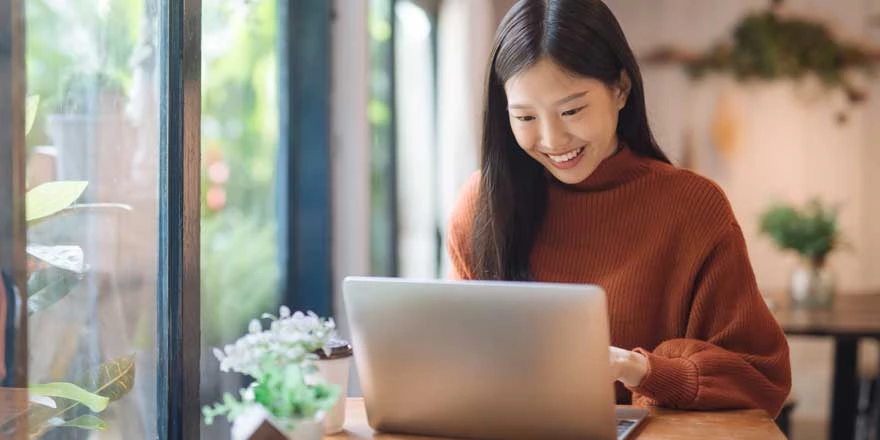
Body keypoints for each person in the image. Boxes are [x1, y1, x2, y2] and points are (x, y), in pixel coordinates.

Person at [446, 0, 791, 417]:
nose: (553, 139)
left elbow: (762, 379)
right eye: (525, 117)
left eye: (572, 110)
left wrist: (644, 370)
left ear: (621, 89)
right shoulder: (482, 206)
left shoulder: (693, 208)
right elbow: (459, 362)